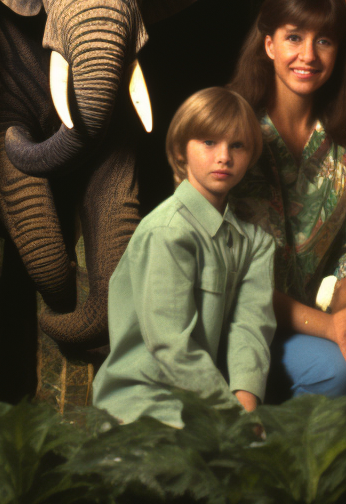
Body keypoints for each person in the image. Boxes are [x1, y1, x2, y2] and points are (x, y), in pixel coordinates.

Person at [228, 0, 346, 398]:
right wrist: (331, 326)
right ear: (269, 46)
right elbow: (228, 271)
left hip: (306, 325)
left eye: (324, 41)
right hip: (231, 319)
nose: (308, 56)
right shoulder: (227, 130)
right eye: (294, 38)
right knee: (341, 366)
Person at [92, 87, 275, 426]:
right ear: (181, 151)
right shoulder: (166, 231)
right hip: (143, 404)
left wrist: (246, 413)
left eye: (237, 145)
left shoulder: (256, 243)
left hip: (212, 403)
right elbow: (170, 345)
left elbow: (250, 329)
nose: (224, 156)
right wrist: (231, 419)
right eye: (209, 142)